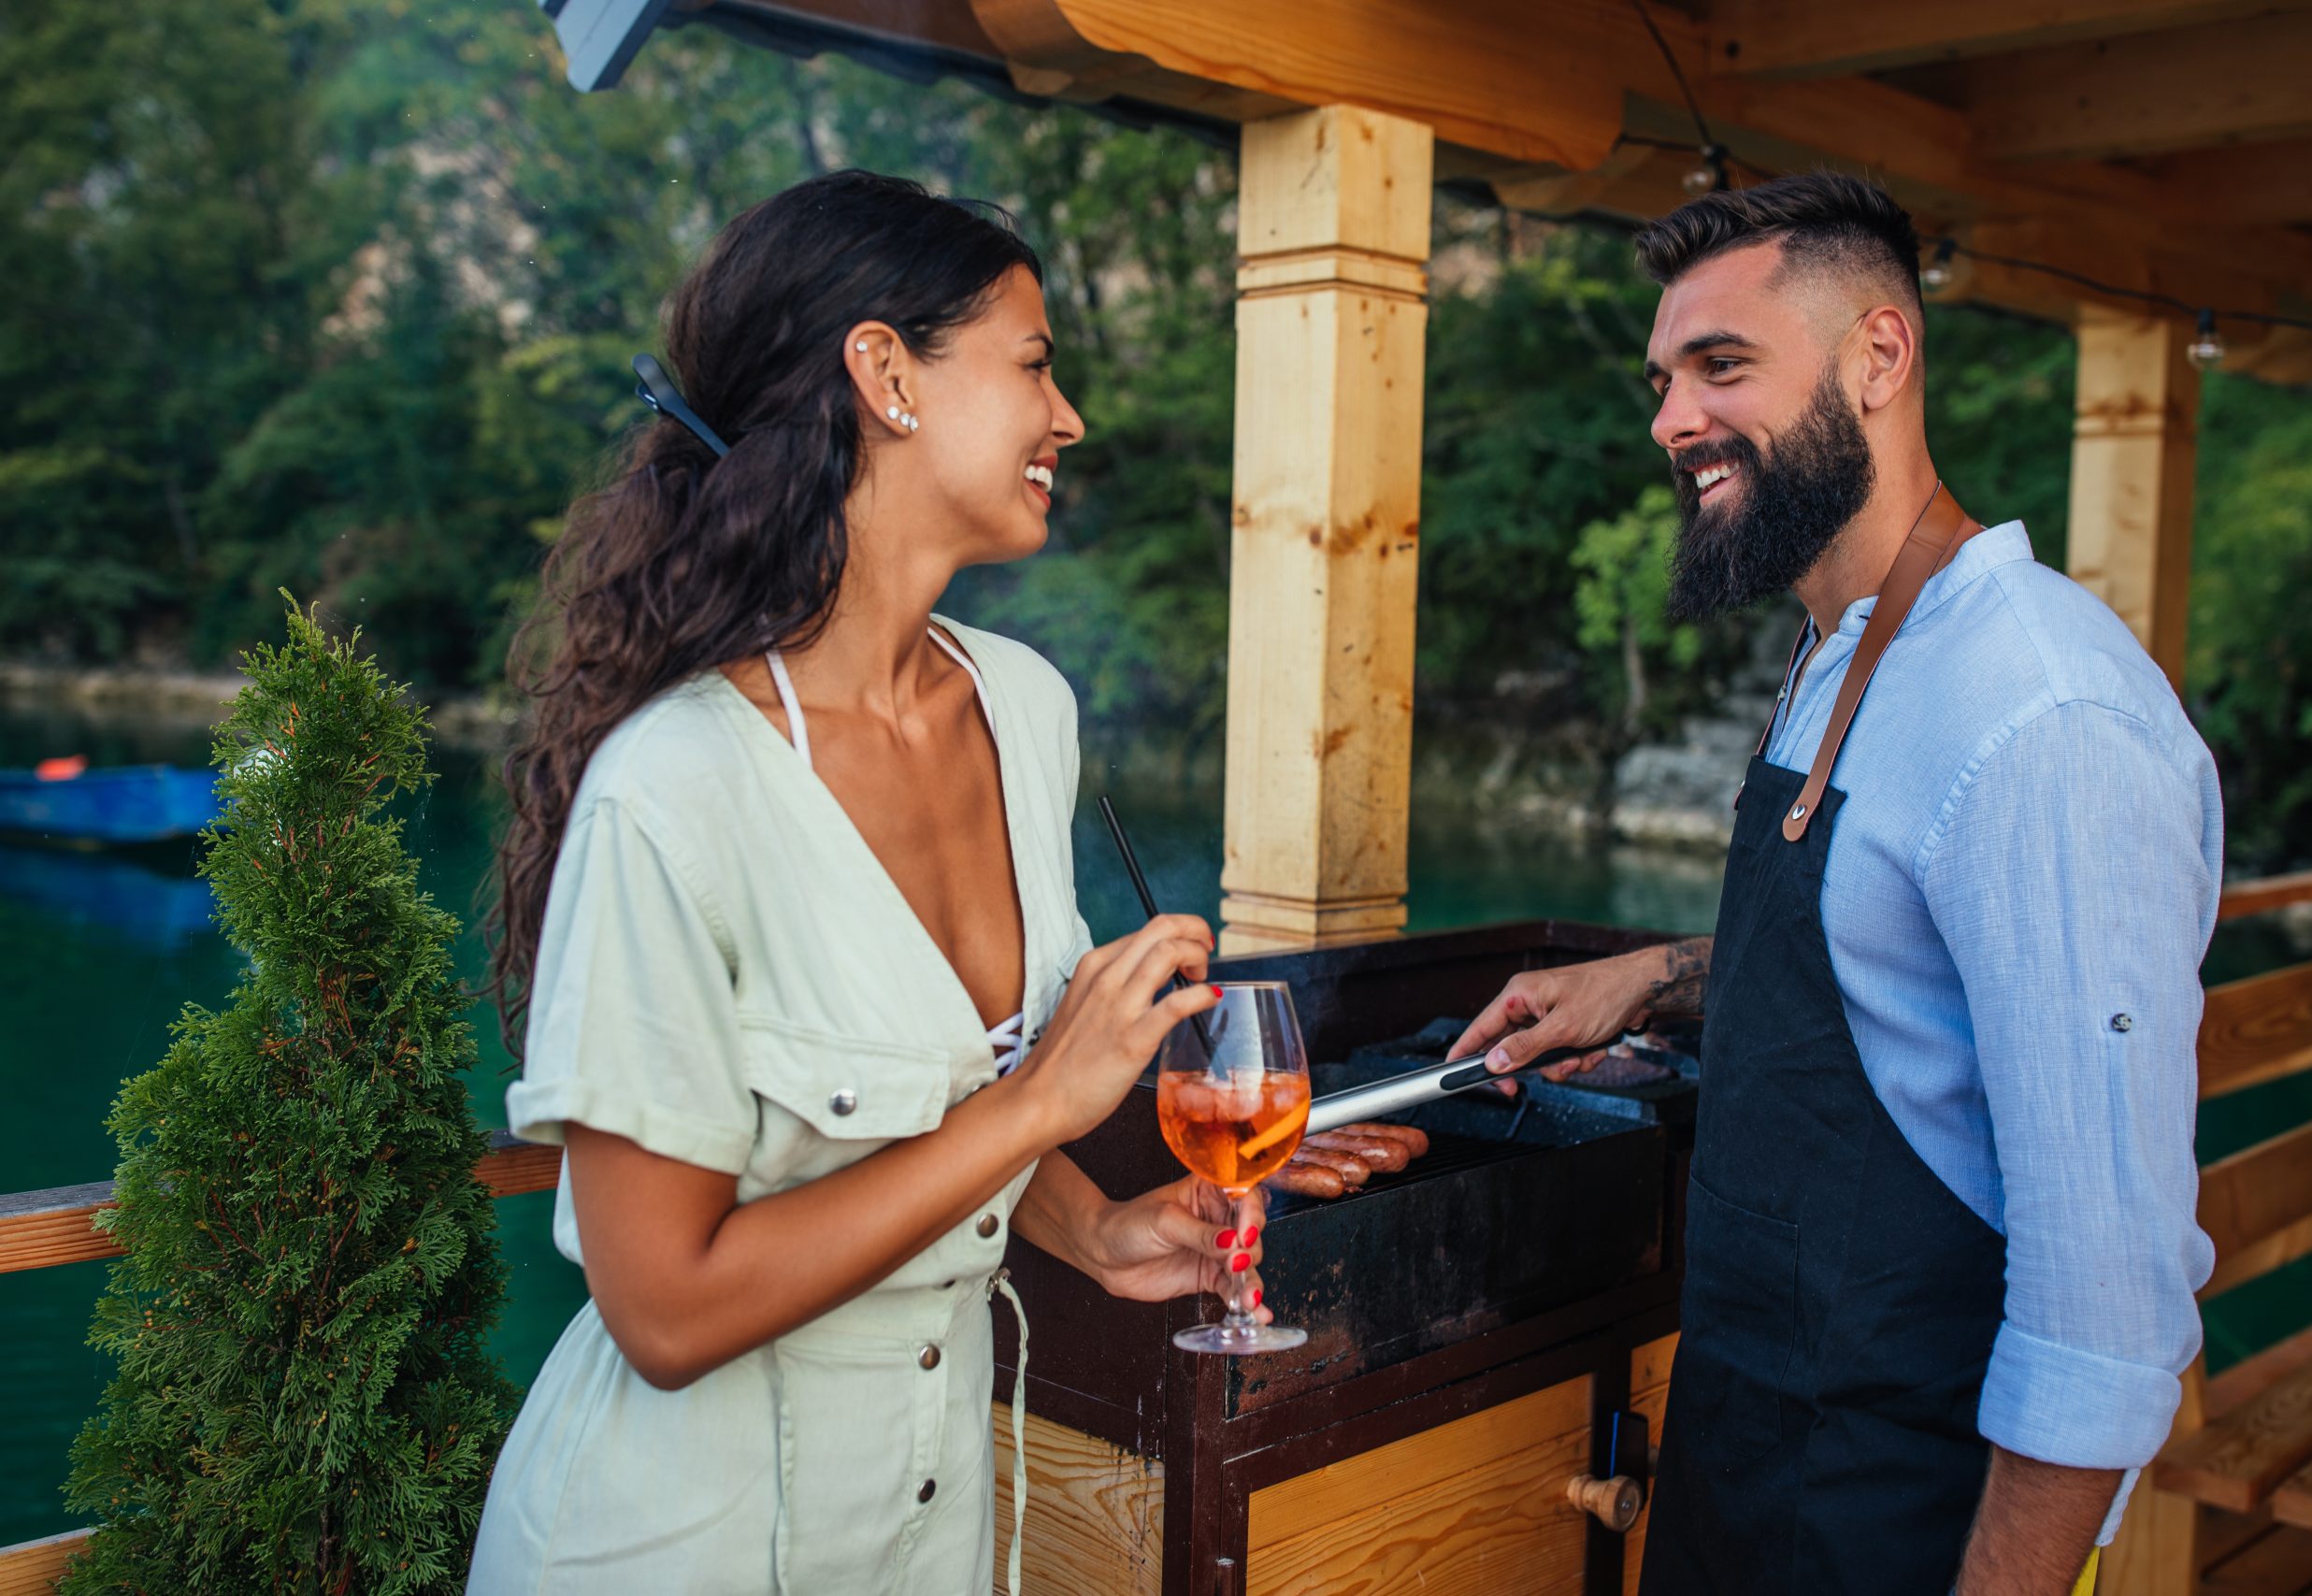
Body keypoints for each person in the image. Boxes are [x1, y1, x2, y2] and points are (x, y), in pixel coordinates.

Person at [470, 171, 1270, 1595]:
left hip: (932, 1533)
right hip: (673, 1549)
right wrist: (1042, 1106)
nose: (1067, 415)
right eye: (1032, 363)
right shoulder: (677, 789)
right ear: (886, 374)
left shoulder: (1025, 707)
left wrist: (1092, 1225)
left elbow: (935, 1092)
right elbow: (664, 1311)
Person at [1450, 174, 2219, 1596]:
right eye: (1664, 378)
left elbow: (2107, 1302)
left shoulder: (2044, 716)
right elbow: (1888, 941)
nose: (1672, 419)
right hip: (1748, 1458)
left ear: (1879, 358)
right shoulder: (1845, 649)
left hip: (1907, 1519)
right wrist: (1656, 978)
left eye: (1721, 366)